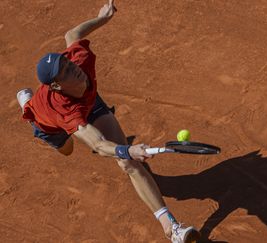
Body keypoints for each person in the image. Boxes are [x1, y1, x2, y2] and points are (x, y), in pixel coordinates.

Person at [16, 1, 200, 242]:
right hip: (50, 123)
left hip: (89, 103)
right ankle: (27, 105)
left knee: (127, 162)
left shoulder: (78, 59)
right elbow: (98, 145)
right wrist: (129, 148)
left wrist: (103, 18)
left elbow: (72, 34)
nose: (75, 69)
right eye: (68, 72)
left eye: (69, 64)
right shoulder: (64, 112)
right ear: (57, 86)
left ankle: (171, 229)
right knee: (67, 149)